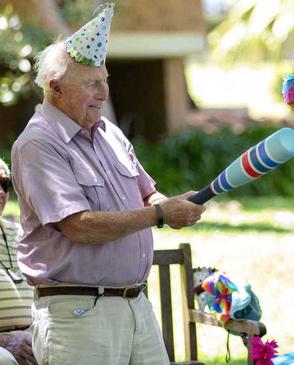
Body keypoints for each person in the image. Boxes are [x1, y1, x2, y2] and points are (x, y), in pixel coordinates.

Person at [10, 4, 205, 364]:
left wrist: (172, 204)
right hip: (78, 315)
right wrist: (161, 214)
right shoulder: (39, 143)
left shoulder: (109, 133)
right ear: (55, 88)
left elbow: (148, 194)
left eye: (106, 81)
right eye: (92, 83)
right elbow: (78, 227)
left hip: (137, 307)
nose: (104, 93)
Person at [0, 158, 36, 365]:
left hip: (36, 337)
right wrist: (6, 341)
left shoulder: (22, 235)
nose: (1, 193)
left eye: (5, 184)